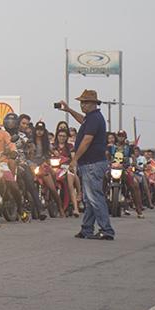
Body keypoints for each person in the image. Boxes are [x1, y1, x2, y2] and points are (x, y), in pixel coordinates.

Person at [57, 90, 115, 240]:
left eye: (86, 102)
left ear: (94, 103)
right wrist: (69, 110)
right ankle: (87, 228)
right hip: (91, 163)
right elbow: (82, 120)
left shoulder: (95, 119)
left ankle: (106, 229)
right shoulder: (91, 118)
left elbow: (87, 140)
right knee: (89, 199)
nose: (83, 105)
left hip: (92, 163)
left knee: (95, 197)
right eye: (82, 102)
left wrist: (74, 159)